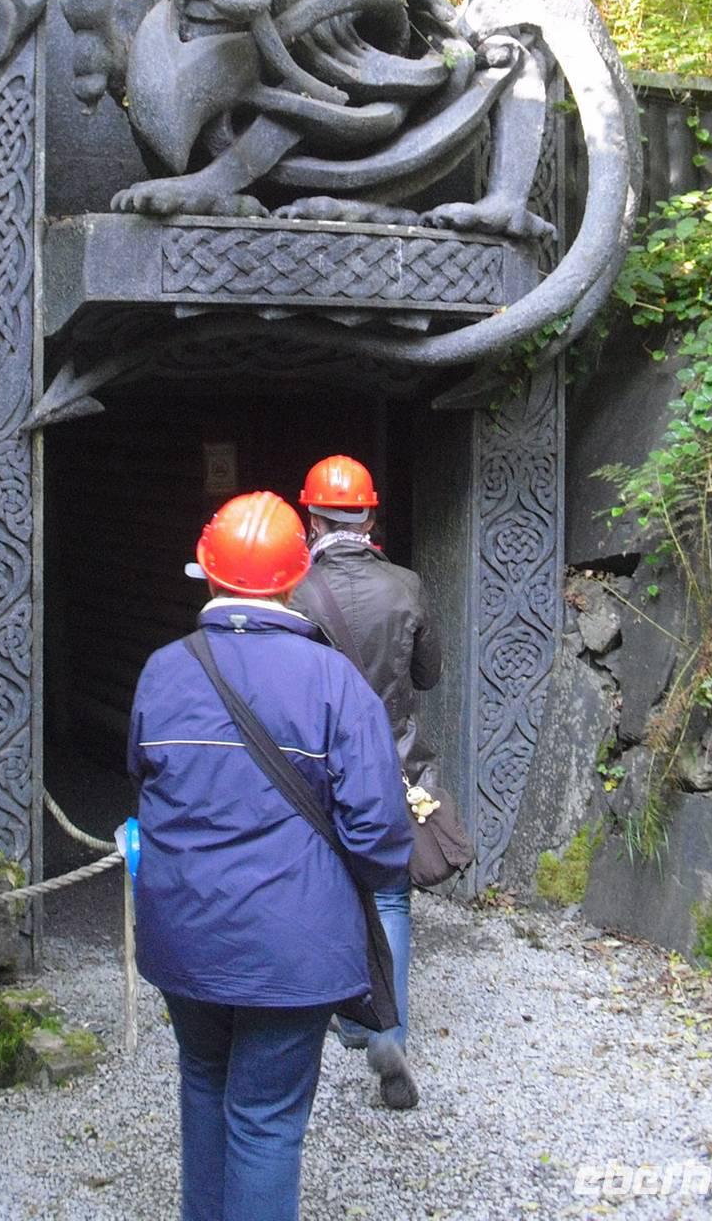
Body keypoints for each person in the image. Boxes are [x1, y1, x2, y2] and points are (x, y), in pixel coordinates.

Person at [128, 490, 414, 1221]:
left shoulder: (162, 671)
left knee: (203, 1083)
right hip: (295, 945)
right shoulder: (336, 683)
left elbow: (144, 782)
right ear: (294, 578)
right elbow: (380, 835)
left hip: (184, 932)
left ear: (208, 573)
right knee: (265, 1118)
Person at [291, 454, 443, 1110]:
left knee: (327, 888)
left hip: (318, 766)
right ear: (370, 518)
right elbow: (429, 674)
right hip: (392, 761)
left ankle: (347, 1016)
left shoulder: (296, 591)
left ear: (312, 518)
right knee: (390, 897)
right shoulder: (407, 585)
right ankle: (389, 1032)